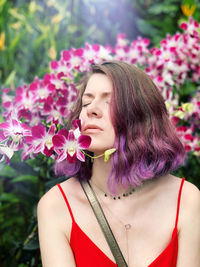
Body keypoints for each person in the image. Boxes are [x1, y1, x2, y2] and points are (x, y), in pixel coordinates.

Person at [37, 61, 200, 267]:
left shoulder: (186, 200)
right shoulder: (56, 206)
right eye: (86, 103)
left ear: (142, 115)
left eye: (109, 102)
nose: (91, 111)